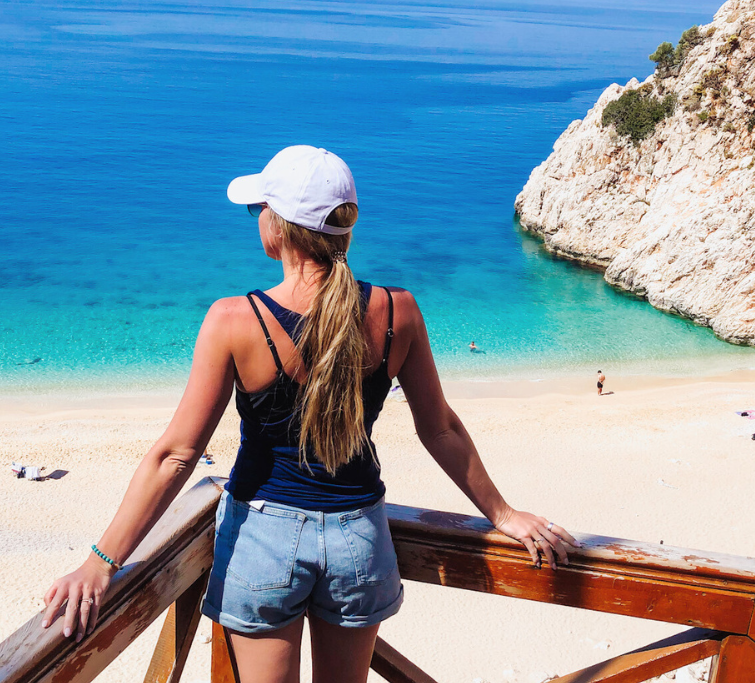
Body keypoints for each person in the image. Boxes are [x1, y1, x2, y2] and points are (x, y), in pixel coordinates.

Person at [40, 146, 579, 683]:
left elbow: (176, 455)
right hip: (359, 539)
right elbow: (440, 429)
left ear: (279, 227)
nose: (258, 222)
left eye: (259, 211)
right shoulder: (398, 311)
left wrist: (100, 562)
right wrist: (503, 514)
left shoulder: (235, 319)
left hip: (262, 538)